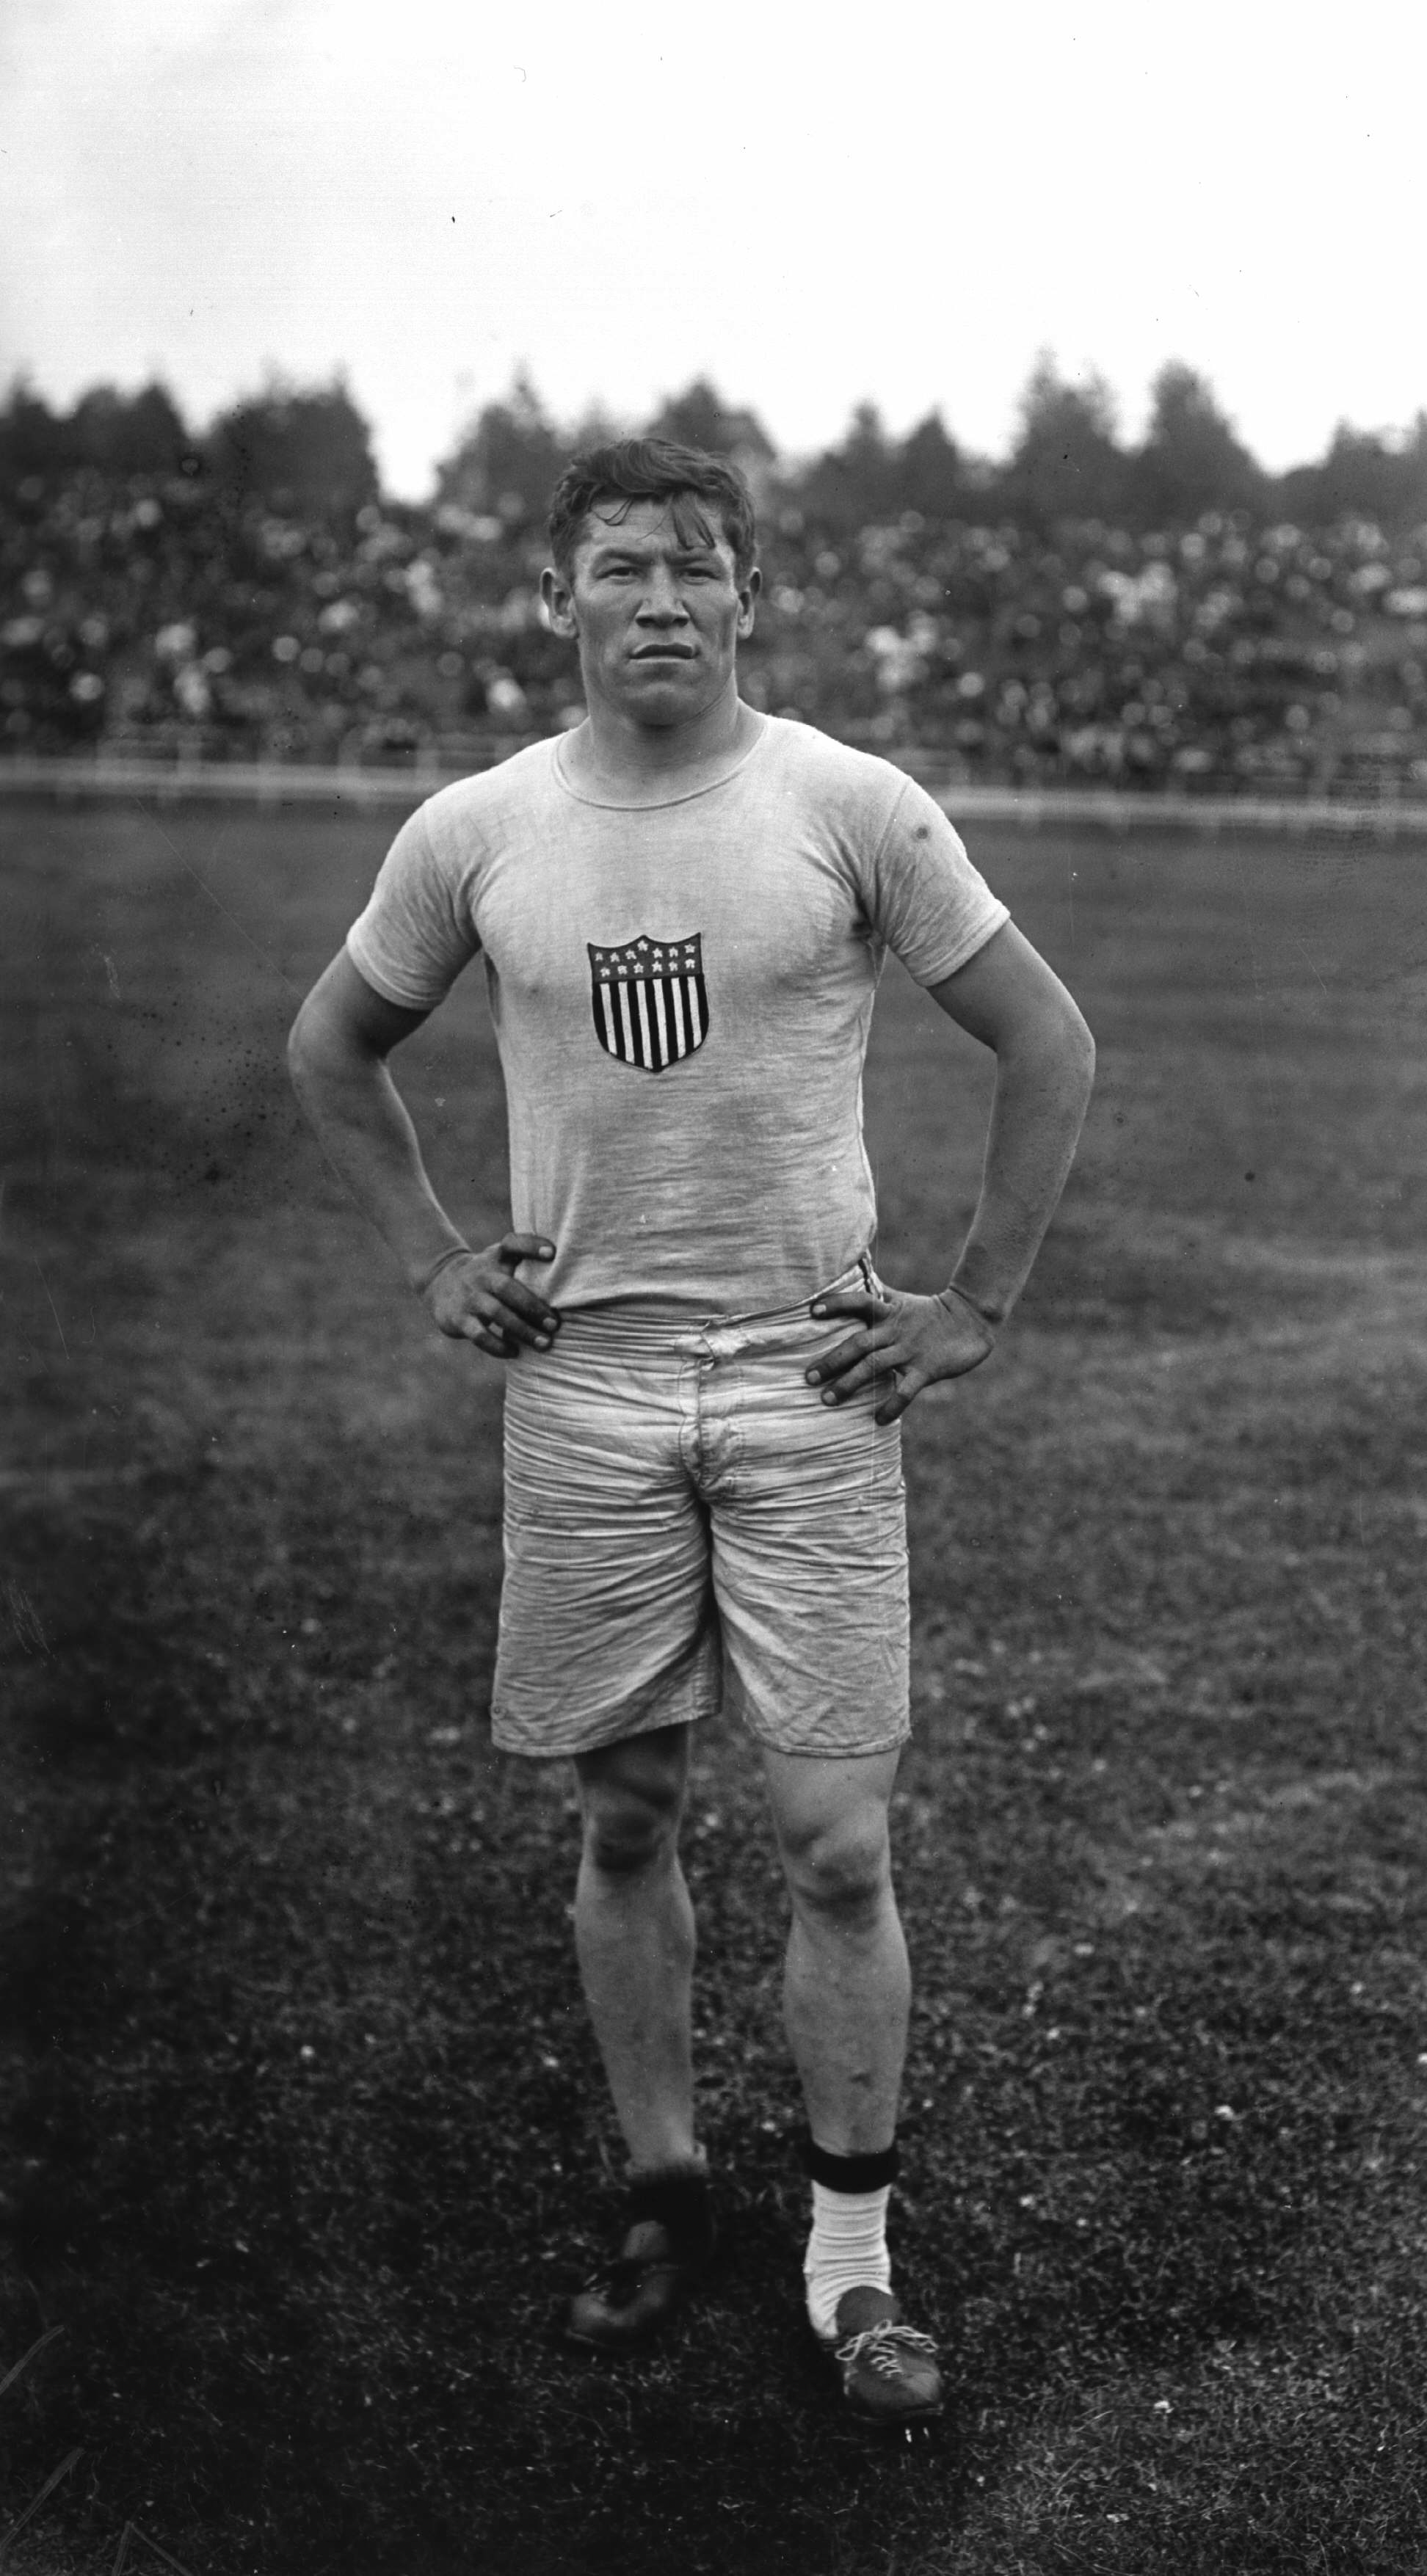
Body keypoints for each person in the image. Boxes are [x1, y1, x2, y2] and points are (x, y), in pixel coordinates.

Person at [287, 437, 1094, 2428]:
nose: (660, 600)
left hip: (813, 1381)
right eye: (622, 568)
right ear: (558, 602)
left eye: (695, 570)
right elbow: (332, 1049)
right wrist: (429, 1252)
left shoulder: (846, 806)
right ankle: (663, 2186)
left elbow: (1047, 1041)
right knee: (627, 1808)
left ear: (750, 600)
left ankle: (848, 2251)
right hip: (585, 1389)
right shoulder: (479, 830)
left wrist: (975, 1303)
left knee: (834, 1838)